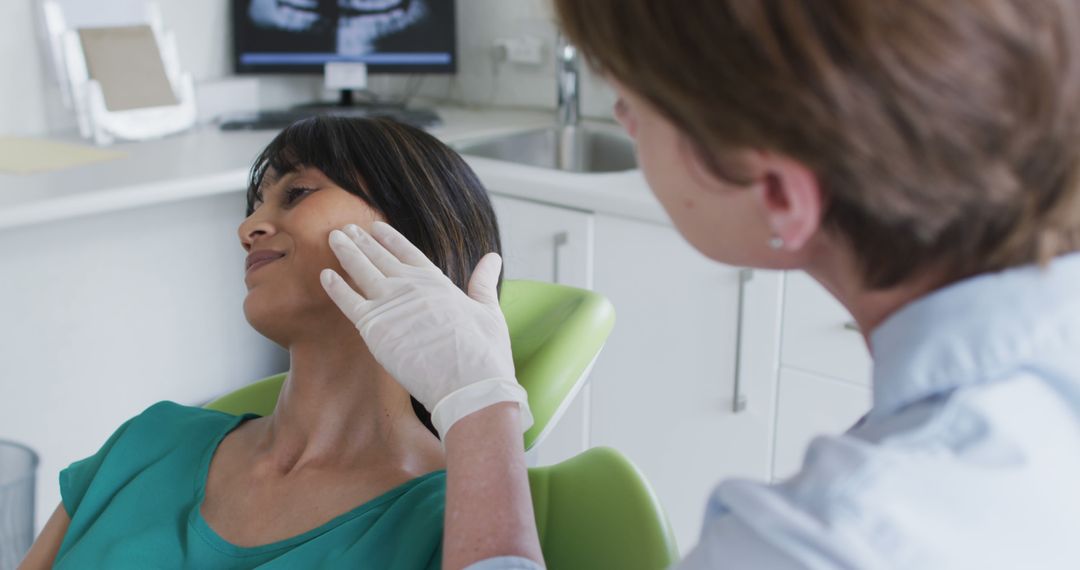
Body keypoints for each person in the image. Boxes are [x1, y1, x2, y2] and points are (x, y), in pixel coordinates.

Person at [315, 1, 1080, 568]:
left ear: (778, 193)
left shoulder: (830, 539)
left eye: (641, 103)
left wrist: (478, 405)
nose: (624, 118)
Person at [19, 116, 523, 569]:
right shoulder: (148, 443)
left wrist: (482, 395)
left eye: (298, 192)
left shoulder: (453, 521)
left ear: (416, 229)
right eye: (257, 203)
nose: (246, 228)